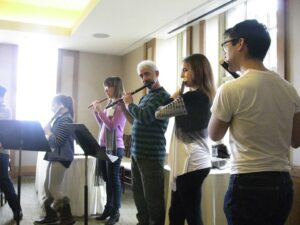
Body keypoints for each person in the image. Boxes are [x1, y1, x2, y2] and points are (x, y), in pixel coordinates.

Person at [208, 19, 300, 225]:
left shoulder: (231, 89)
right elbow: (296, 140)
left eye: (226, 45)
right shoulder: (289, 89)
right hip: (283, 182)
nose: (224, 51)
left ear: (240, 44)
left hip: (248, 182)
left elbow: (214, 134)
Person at [155, 54, 216, 225]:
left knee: (190, 214)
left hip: (191, 163)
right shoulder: (207, 96)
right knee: (177, 212)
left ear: (198, 71)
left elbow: (159, 113)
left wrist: (174, 97)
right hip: (195, 162)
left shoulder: (191, 97)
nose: (182, 75)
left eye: (185, 70)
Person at [122, 60, 170, 225]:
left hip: (151, 154)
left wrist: (130, 104)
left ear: (157, 74)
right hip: (137, 153)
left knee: (153, 198)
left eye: (147, 74)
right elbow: (136, 121)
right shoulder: (146, 98)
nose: (143, 79)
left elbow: (146, 117)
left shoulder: (164, 97)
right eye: (141, 76)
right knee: (139, 194)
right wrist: (124, 107)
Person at [34, 94, 75, 225]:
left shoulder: (66, 119)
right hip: (55, 155)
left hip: (62, 156)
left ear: (61, 105)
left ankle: (68, 218)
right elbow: (53, 141)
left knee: (54, 188)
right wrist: (47, 133)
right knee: (47, 187)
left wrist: (48, 132)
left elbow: (57, 141)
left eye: (53, 104)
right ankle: (51, 216)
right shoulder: (59, 118)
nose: (51, 107)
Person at [90, 76, 126, 225]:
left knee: (114, 179)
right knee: (107, 179)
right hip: (104, 146)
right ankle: (108, 208)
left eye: (108, 87)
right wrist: (96, 112)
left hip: (115, 147)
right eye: (104, 87)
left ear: (115, 87)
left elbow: (112, 126)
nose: (105, 90)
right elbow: (103, 125)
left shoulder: (121, 105)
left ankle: (115, 211)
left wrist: (101, 111)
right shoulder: (110, 103)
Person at [0, 85, 23, 221]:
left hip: (2, 150)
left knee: (4, 180)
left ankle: (17, 209)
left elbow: (7, 131)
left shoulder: (6, 110)